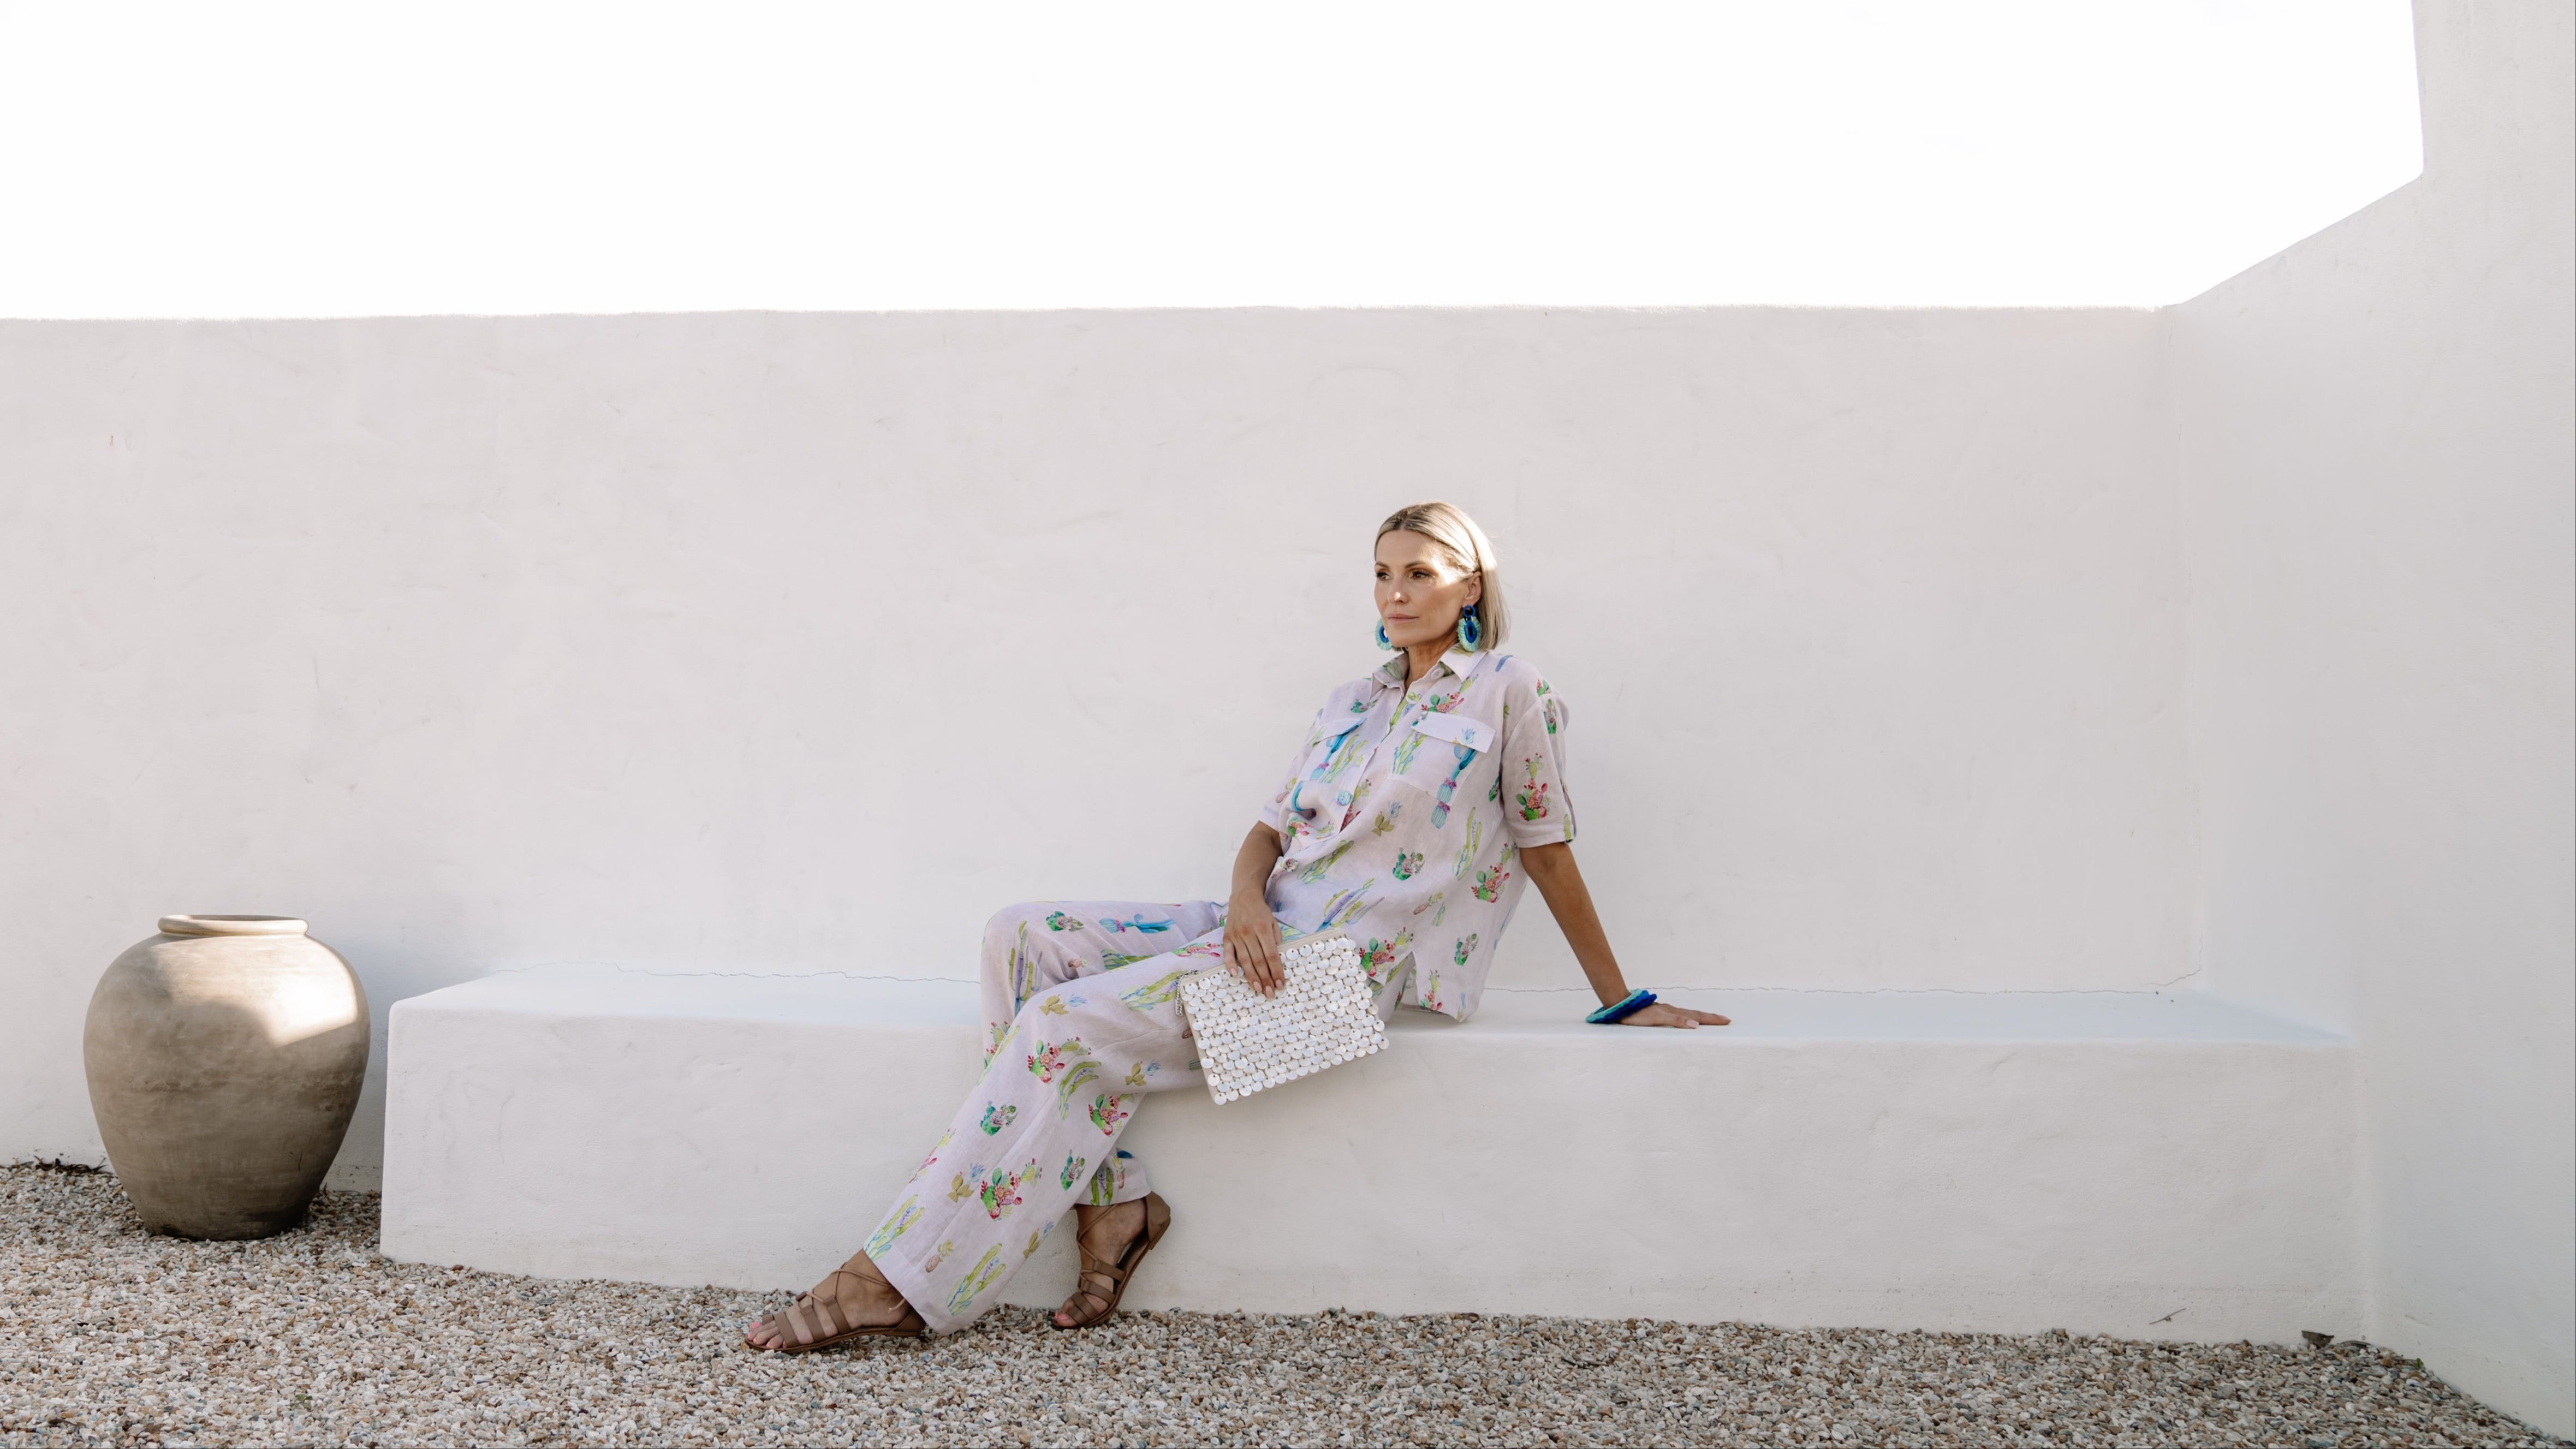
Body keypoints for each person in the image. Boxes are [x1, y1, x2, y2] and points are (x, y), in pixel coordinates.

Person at [742, 501, 1729, 1351]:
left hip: (1340, 989)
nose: (1394, 593)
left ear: (1470, 587)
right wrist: (1248, 902)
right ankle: (1114, 1200)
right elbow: (1268, 830)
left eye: (1419, 574)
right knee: (1020, 934)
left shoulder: (1513, 692)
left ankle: (898, 1283)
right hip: (1258, 930)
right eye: (1381, 574)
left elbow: (1548, 845)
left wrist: (1623, 999)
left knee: (1059, 1028)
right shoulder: (1355, 699)